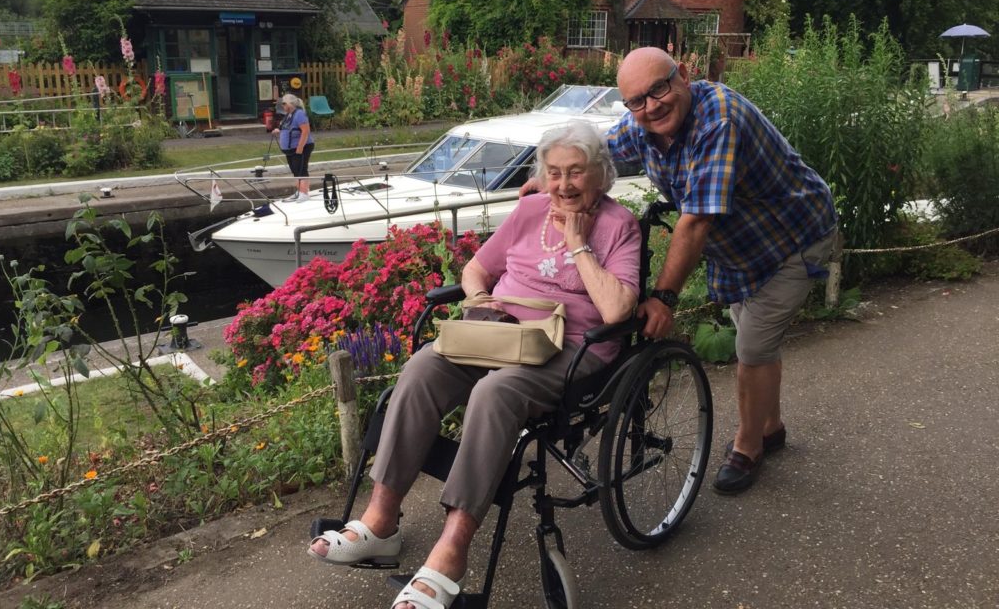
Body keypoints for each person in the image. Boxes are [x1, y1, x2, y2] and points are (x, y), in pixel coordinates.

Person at [308, 121, 641, 609]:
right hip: (499, 334)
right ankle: (380, 522)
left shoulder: (619, 225)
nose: (564, 184)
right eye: (554, 172)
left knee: (494, 394)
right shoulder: (527, 210)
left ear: (601, 174)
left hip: (571, 348)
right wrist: (482, 299)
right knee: (421, 369)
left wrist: (577, 242)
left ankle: (453, 549)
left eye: (576, 172)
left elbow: (616, 312)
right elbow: (476, 268)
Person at [608, 46, 838, 494]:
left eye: (659, 88)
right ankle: (771, 426)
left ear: (684, 76)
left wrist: (664, 298)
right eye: (636, 100)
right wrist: (552, 175)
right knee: (756, 339)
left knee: (752, 346)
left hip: (795, 238)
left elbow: (695, 223)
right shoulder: (645, 124)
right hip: (745, 250)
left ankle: (748, 447)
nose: (651, 105)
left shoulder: (718, 119)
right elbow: (599, 152)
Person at [272, 93, 313, 202]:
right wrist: (278, 131)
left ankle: (304, 193)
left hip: (301, 147)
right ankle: (300, 191)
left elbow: (305, 131)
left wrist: (300, 148)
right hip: (291, 149)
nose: (283, 106)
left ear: (291, 104)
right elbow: (288, 128)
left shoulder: (299, 114)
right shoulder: (288, 115)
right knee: (295, 169)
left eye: (284, 103)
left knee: (301, 169)